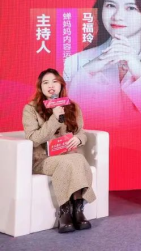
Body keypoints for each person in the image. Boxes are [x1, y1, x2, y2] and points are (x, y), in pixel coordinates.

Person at [63, 0, 141, 114]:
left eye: (131, 8)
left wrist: (138, 70)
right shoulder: (75, 62)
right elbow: (69, 116)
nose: (117, 16)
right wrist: (88, 70)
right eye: (110, 6)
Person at [22, 69, 96, 233]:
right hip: (43, 159)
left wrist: (79, 139)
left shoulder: (73, 106)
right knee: (69, 162)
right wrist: (54, 119)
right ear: (40, 87)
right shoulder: (31, 109)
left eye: (54, 82)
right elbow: (33, 139)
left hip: (68, 155)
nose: (50, 86)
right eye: (45, 83)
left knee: (77, 159)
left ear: (61, 85)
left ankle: (77, 209)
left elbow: (81, 132)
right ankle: (64, 210)